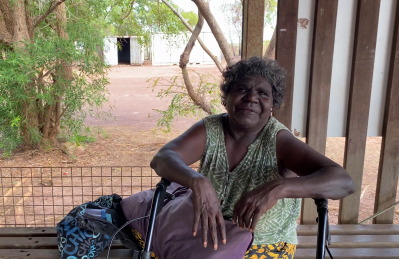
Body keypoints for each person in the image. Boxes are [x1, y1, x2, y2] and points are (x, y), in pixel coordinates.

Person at [150, 57, 355, 258]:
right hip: (211, 238)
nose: (251, 98)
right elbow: (163, 157)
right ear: (226, 96)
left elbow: (344, 182)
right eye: (242, 89)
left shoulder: (279, 140)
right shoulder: (211, 128)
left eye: (263, 93)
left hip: (264, 246)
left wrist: (278, 189)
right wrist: (197, 180)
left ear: (272, 103)